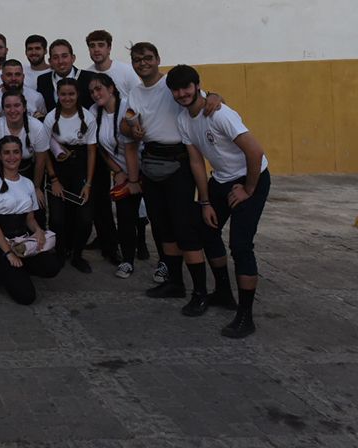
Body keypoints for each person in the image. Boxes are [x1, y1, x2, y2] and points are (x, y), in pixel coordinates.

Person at [168, 64, 270, 338]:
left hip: (251, 178)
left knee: (240, 245)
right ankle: (223, 292)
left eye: (186, 87)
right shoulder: (183, 119)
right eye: (176, 90)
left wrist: (248, 189)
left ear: (198, 85)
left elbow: (256, 151)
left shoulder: (220, 113)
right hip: (221, 180)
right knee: (205, 229)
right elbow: (196, 162)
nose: (182, 93)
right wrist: (205, 201)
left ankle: (245, 316)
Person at [124, 43, 221, 302]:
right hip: (151, 162)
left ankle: (199, 291)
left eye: (147, 58)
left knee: (185, 228)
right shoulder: (134, 92)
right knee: (162, 227)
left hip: (179, 161)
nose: (142, 63)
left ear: (158, 59)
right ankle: (175, 283)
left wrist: (216, 96)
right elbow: (129, 122)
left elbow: (205, 99)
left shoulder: (172, 84)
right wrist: (131, 128)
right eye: (137, 60)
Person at [0, 135, 61, 304]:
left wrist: (38, 231)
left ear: (21, 154)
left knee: (52, 266)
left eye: (16, 152)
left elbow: (30, 218)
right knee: (27, 297)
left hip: (22, 241)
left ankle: (19, 269)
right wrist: (9, 253)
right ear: (1, 156)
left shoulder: (28, 183)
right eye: (7, 153)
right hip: (1, 243)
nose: (12, 157)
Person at [41, 78, 97, 272]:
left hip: (80, 168)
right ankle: (60, 252)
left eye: (71, 94)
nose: (67, 98)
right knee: (57, 218)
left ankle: (77, 254)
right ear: (58, 95)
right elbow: (45, 150)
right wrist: (54, 179)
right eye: (63, 94)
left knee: (84, 218)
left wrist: (88, 183)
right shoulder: (50, 118)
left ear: (78, 94)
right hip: (58, 169)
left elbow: (91, 152)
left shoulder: (88, 118)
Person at [90, 72, 142, 279]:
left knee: (154, 217)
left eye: (99, 89)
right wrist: (119, 172)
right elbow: (101, 149)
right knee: (125, 217)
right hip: (122, 172)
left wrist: (134, 180)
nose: (95, 94)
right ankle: (127, 260)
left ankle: (165, 263)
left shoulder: (127, 107)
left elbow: (131, 146)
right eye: (92, 91)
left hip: (143, 169)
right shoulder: (94, 112)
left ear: (111, 89)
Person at [0, 91, 49, 186]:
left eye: (17, 105)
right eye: (8, 106)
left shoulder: (37, 128)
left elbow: (40, 164)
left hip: (29, 174)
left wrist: (36, 188)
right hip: (1, 175)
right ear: (3, 109)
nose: (12, 110)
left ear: (24, 108)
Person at [85, 29, 139, 97]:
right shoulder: (86, 75)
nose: (96, 49)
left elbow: (140, 97)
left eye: (101, 45)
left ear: (109, 48)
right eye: (92, 46)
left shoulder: (127, 71)